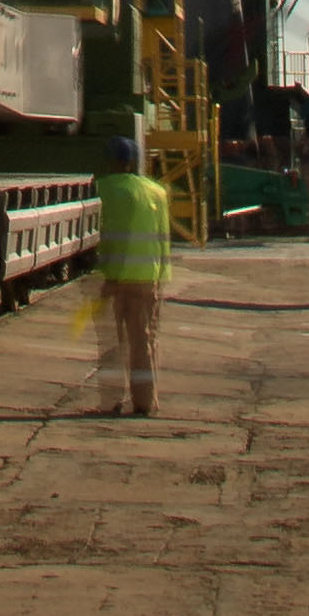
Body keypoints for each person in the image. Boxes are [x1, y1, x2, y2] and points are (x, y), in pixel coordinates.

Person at [91, 135, 173, 415]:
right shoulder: (157, 193)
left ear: (110, 161)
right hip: (145, 279)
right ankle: (145, 402)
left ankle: (112, 400)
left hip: (110, 280)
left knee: (111, 344)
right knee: (143, 342)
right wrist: (161, 278)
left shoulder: (101, 189)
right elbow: (163, 239)